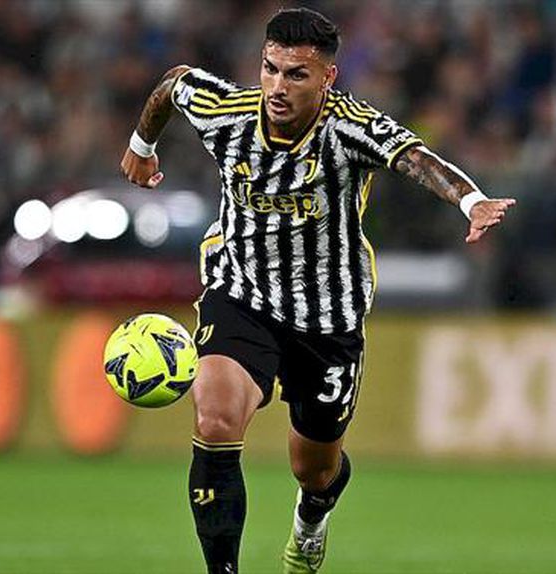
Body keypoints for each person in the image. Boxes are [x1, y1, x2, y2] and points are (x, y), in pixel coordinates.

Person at [120, 8, 515, 573]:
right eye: (270, 69)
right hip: (242, 293)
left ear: (328, 78)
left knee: (315, 468)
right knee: (215, 418)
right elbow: (174, 83)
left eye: (296, 74)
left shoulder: (349, 127)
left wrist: (471, 201)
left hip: (328, 317)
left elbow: (416, 159)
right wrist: (142, 145)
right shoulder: (227, 113)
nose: (278, 87)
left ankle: (311, 519)